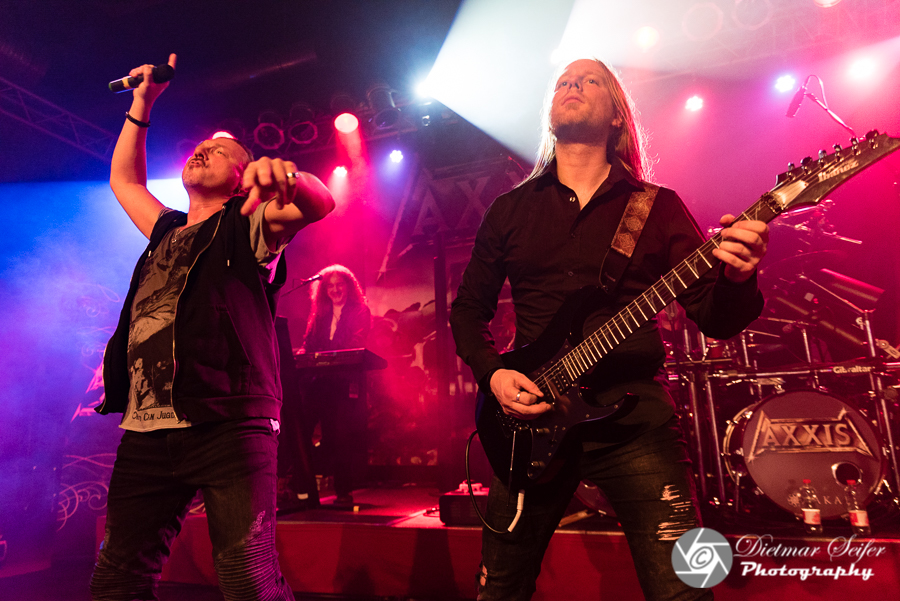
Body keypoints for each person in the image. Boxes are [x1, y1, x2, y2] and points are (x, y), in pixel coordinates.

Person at [449, 58, 769, 600]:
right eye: (562, 82)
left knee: (685, 589)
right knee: (500, 589)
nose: (571, 84)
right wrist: (494, 375)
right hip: (528, 426)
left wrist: (739, 278)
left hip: (636, 422)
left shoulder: (658, 207)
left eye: (589, 79)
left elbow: (717, 319)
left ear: (618, 115)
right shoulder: (508, 210)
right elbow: (466, 311)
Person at [90, 54, 335, 601]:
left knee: (248, 581)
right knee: (116, 581)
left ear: (241, 178)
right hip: (147, 428)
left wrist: (290, 178)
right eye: (200, 146)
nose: (204, 150)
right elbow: (124, 179)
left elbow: (320, 202)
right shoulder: (166, 229)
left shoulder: (249, 224)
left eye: (221, 150)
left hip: (229, 423)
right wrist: (143, 101)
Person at [300, 265, 371, 505]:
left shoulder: (360, 311)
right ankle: (301, 488)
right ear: (323, 290)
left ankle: (343, 492)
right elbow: (308, 344)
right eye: (329, 286)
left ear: (348, 286)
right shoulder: (319, 313)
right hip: (319, 382)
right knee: (301, 429)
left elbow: (356, 343)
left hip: (343, 382)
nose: (335, 289)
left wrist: (326, 357)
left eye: (339, 284)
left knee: (341, 436)